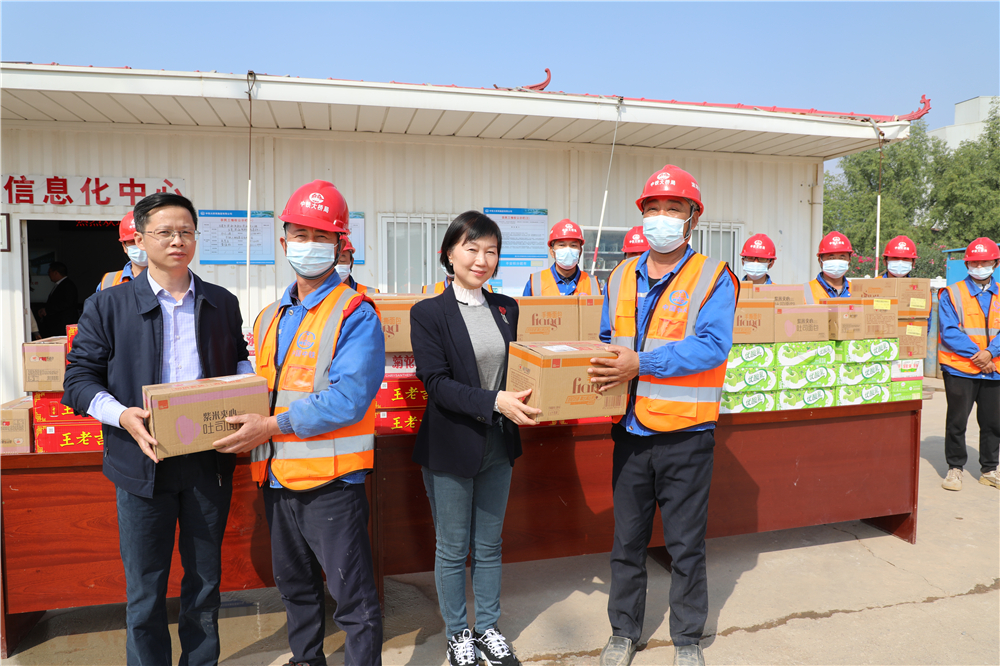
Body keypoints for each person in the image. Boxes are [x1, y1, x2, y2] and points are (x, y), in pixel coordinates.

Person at [61, 192, 251, 666]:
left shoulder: (222, 302)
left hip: (208, 461)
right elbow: (78, 379)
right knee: (146, 588)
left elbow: (238, 362)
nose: (177, 241)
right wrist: (122, 414)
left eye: (186, 232)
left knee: (204, 583)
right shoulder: (107, 305)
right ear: (140, 240)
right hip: (142, 462)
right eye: (164, 232)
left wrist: (247, 391)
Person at [212, 180, 385, 666]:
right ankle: (306, 659)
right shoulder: (270, 315)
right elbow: (259, 387)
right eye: (299, 235)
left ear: (339, 243)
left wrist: (268, 428)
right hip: (275, 476)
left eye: (321, 236)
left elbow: (349, 400)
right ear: (283, 241)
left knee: (352, 600)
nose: (309, 245)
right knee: (295, 587)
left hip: (332, 481)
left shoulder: (356, 313)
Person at [589, 165, 738, 666]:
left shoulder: (714, 277)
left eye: (673, 209)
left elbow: (712, 346)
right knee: (626, 541)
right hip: (629, 430)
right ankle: (623, 632)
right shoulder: (619, 276)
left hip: (686, 435)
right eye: (653, 208)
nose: (661, 217)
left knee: (685, 544)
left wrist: (643, 363)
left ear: (692, 218)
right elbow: (609, 342)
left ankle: (688, 638)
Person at [410, 211, 541, 666]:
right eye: (471, 248)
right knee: (452, 548)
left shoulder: (506, 307)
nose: (481, 259)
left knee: (489, 545)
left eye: (491, 251)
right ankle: (457, 634)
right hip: (450, 446)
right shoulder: (428, 313)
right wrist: (494, 401)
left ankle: (488, 628)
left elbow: (517, 369)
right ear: (450, 253)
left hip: (498, 444)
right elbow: (436, 383)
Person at [937, 237, 1000, 492]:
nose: (979, 266)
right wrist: (980, 356)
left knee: (994, 423)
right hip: (961, 369)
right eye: (974, 262)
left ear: (996, 263)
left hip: (994, 370)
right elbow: (949, 331)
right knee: (957, 422)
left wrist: (991, 352)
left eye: (985, 262)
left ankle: (989, 470)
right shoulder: (951, 293)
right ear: (966, 264)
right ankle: (955, 468)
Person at [522, 219, 596, 296]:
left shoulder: (593, 283)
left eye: (573, 245)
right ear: (552, 251)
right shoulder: (535, 282)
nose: (568, 250)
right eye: (562, 245)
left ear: (580, 251)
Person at [96, 212, 148, 292]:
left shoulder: (168, 279)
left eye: (142, 240)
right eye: (132, 241)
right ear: (124, 246)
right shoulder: (109, 282)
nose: (138, 245)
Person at [804, 231, 853, 302]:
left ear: (849, 261)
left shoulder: (858, 291)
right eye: (831, 258)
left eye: (842, 258)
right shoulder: (805, 292)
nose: (837, 262)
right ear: (820, 261)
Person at [39, 261, 78, 337]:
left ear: (55, 273)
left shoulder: (67, 285)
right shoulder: (61, 285)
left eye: (49, 272)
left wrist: (48, 310)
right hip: (58, 324)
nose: (48, 274)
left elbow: (66, 303)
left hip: (63, 324)